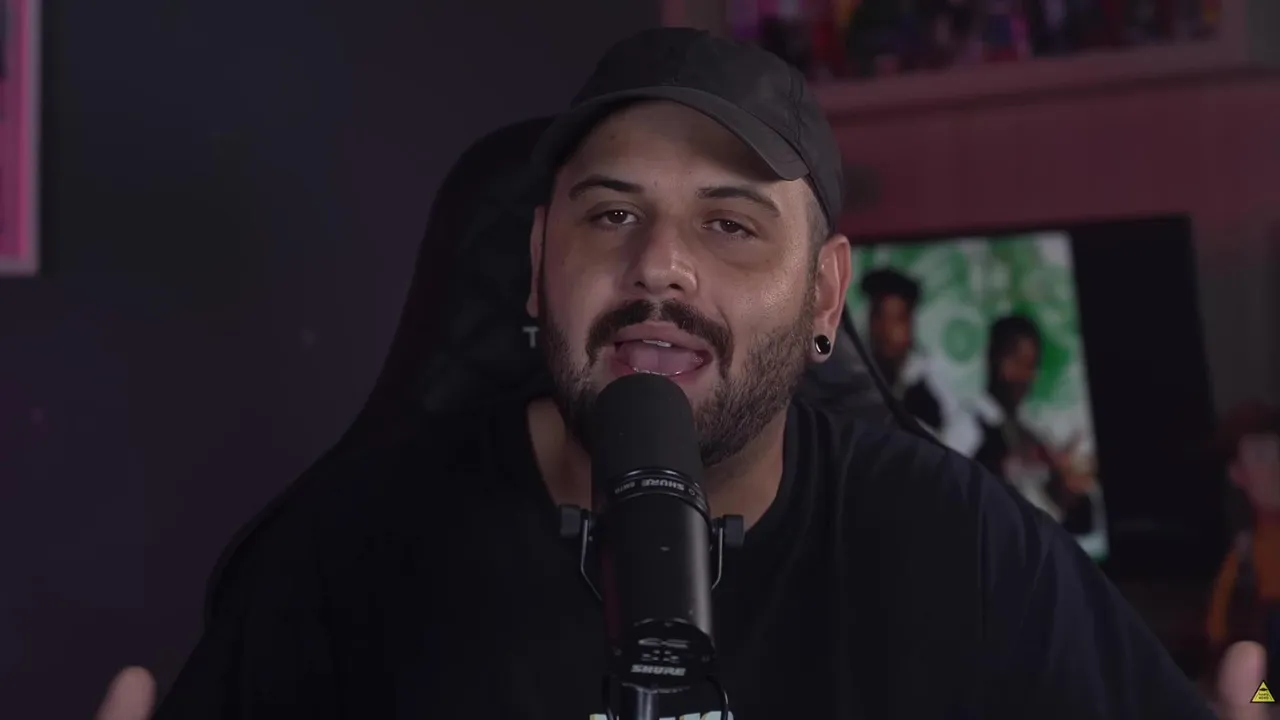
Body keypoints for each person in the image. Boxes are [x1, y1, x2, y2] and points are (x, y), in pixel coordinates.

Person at [95, 27, 1268, 720]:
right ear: (536, 264)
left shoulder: (958, 542)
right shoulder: (348, 550)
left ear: (824, 295)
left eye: (730, 225)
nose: (658, 265)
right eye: (610, 215)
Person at [969, 314, 1097, 535]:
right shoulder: (966, 430)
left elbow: (1079, 522)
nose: (1026, 376)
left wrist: (1067, 492)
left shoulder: (1033, 433)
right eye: (1018, 363)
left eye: (1031, 366)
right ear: (993, 358)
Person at [1206, 404, 1280, 683]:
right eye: (1261, 457)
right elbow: (1221, 637)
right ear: (1237, 473)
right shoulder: (1244, 558)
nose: (1276, 468)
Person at [858, 267, 946, 433]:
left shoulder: (932, 388)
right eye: (879, 316)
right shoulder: (852, 382)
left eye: (896, 319)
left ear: (910, 325)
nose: (886, 330)